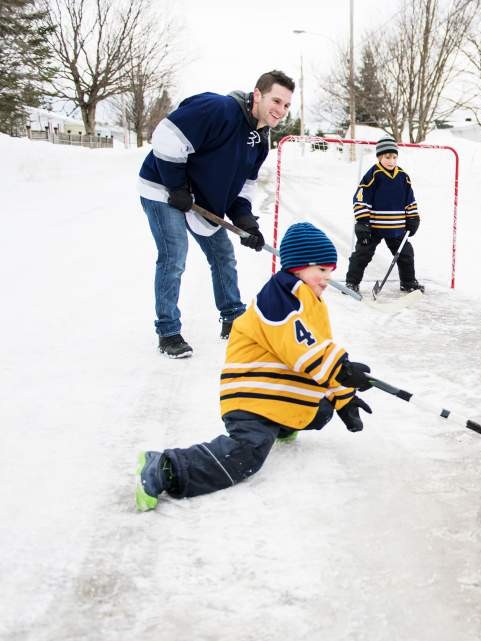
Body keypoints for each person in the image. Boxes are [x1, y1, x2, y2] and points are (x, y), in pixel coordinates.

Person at [135, 222, 375, 511]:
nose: (327, 278)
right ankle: (167, 466)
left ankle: (282, 422)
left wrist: (342, 397)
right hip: (252, 395)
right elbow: (303, 349)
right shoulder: (280, 297)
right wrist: (342, 368)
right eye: (321, 270)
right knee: (246, 454)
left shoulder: (310, 300)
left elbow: (318, 349)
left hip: (274, 390)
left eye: (330, 271)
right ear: (298, 266)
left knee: (320, 410)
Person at [138, 70, 294, 359]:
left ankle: (233, 318)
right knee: (174, 255)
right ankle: (168, 331)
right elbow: (166, 136)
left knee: (222, 253)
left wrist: (246, 220)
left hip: (198, 198)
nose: (281, 110)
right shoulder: (218, 109)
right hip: (162, 186)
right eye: (276, 100)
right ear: (257, 95)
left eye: (286, 105)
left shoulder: (260, 140)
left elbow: (244, 186)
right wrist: (176, 185)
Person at [344, 137, 424, 294]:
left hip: (397, 227)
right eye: (387, 157)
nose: (391, 161)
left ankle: (408, 282)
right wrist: (362, 222)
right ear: (379, 157)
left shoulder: (403, 176)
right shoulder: (373, 175)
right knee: (362, 254)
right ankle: (352, 283)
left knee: (406, 254)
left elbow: (410, 199)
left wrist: (413, 217)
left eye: (394, 157)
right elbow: (360, 198)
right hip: (374, 227)